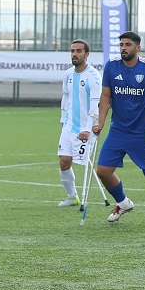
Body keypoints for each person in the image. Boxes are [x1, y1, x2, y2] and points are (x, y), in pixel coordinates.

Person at [93, 31, 145, 222]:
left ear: (137, 48)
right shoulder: (111, 66)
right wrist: (100, 123)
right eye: (121, 45)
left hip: (142, 131)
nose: (123, 48)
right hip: (118, 130)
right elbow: (105, 96)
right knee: (103, 171)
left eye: (128, 45)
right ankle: (123, 203)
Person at [55, 39, 103, 206]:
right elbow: (66, 96)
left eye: (79, 51)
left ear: (87, 54)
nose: (75, 54)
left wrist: (88, 129)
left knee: (83, 163)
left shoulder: (93, 77)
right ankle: (72, 197)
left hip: (85, 128)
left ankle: (85, 197)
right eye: (72, 51)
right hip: (68, 126)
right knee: (64, 160)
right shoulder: (68, 74)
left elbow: (95, 106)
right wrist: (63, 120)